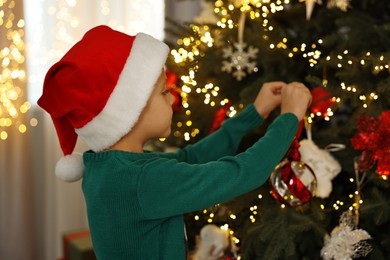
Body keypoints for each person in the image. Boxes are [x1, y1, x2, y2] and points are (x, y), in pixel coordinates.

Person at [38, 25, 311, 260]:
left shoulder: (109, 167)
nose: (173, 97)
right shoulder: (143, 179)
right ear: (128, 112)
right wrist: (289, 118)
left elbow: (189, 159)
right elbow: (243, 172)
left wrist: (254, 113)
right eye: (163, 91)